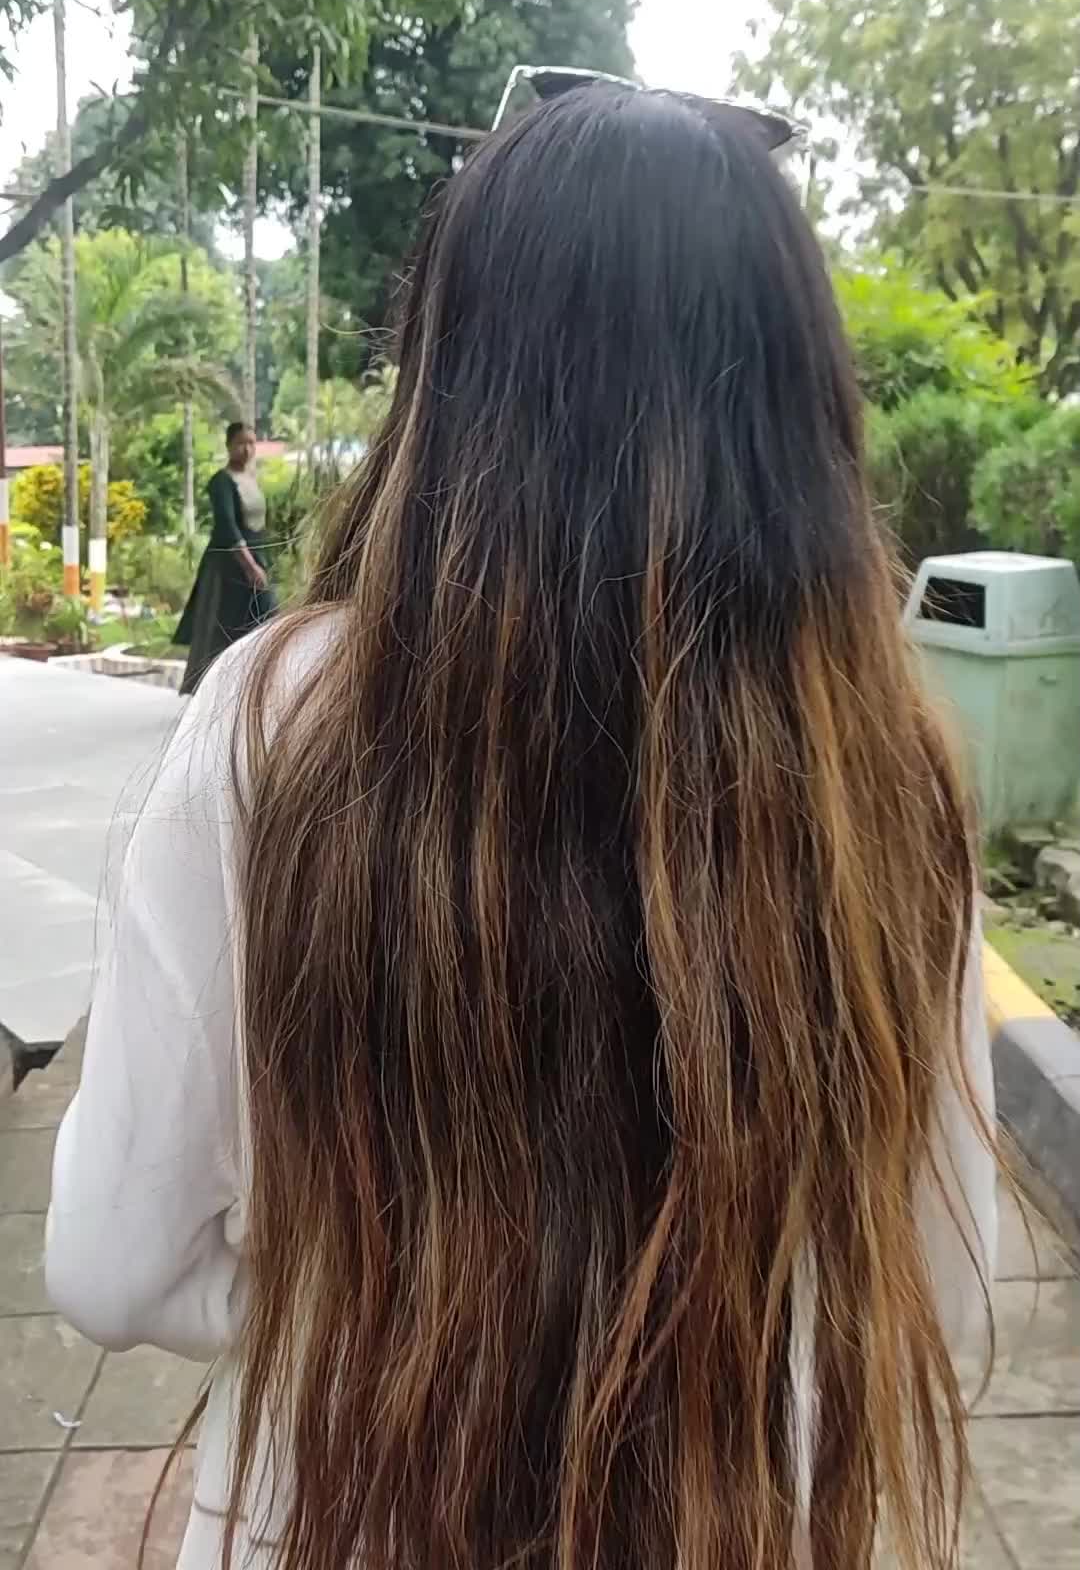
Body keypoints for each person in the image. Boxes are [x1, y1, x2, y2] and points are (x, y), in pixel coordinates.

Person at [46, 86, 996, 1570]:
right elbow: (949, 1286)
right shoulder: (877, 766)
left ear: (450, 371)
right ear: (797, 402)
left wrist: (395, 1308)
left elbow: (113, 1264)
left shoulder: (277, 720)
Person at [176, 421, 275, 695]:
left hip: (256, 557)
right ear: (229, 445)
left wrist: (264, 560)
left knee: (263, 621)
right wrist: (250, 566)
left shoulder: (251, 479)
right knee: (225, 629)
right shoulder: (221, 482)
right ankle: (217, 689)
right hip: (229, 567)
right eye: (241, 443)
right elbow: (227, 527)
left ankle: (253, 685)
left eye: (251, 443)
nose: (247, 449)